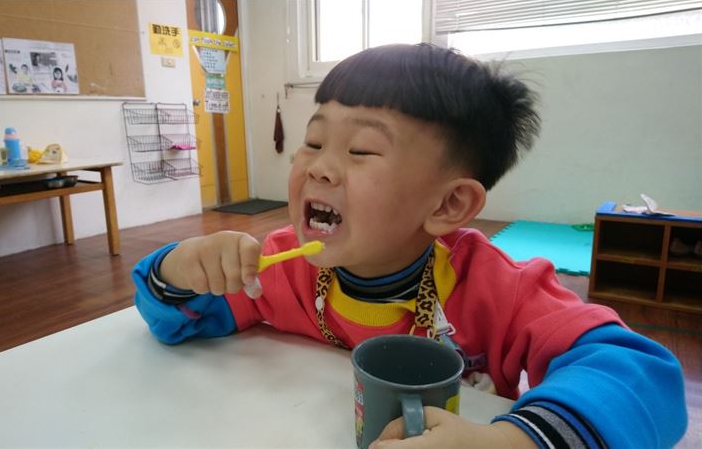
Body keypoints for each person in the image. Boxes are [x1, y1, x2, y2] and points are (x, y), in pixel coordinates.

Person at [132, 43, 687, 448]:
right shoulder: (278, 267)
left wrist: (515, 440)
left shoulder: (498, 288)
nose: (319, 167)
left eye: (361, 151)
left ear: (448, 205)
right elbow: (180, 320)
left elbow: (641, 375)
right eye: (314, 141)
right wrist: (180, 268)